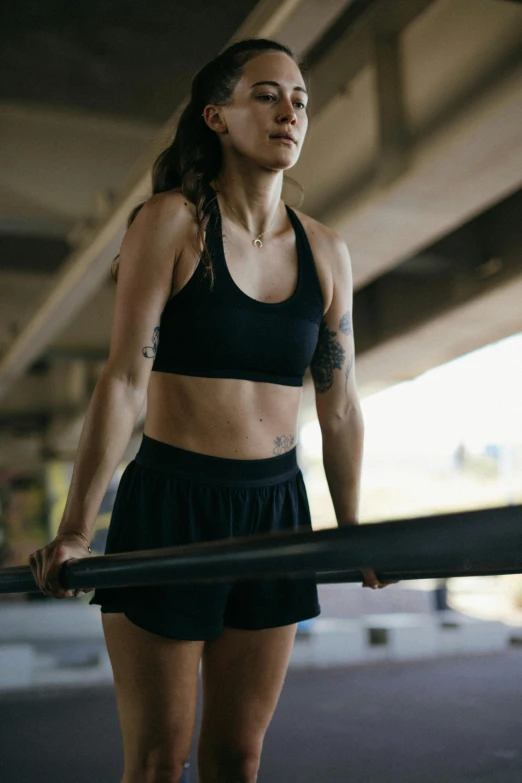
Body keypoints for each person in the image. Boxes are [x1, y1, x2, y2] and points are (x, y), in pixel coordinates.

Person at [28, 38, 398, 783]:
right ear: (217, 117)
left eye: (300, 99)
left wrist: (353, 531)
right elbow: (123, 384)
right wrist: (73, 529)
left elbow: (341, 404)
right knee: (162, 758)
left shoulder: (328, 252)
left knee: (239, 759)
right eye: (266, 94)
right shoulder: (169, 223)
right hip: (170, 508)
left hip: (276, 511)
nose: (289, 110)